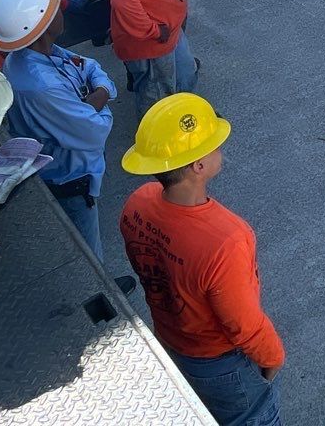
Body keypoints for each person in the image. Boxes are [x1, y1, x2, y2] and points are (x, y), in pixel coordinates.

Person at [120, 94, 285, 426]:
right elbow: (243, 323)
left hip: (170, 339)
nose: (220, 150)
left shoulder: (137, 204)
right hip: (219, 362)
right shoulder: (226, 239)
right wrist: (273, 358)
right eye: (215, 146)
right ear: (198, 166)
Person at [0, 0, 115, 258]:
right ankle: (105, 288)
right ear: (43, 27)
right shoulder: (40, 85)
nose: (62, 11)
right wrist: (103, 94)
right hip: (70, 176)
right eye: (55, 9)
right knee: (86, 246)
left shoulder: (36, 55)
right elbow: (94, 131)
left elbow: (90, 66)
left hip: (71, 168)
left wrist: (96, 93)